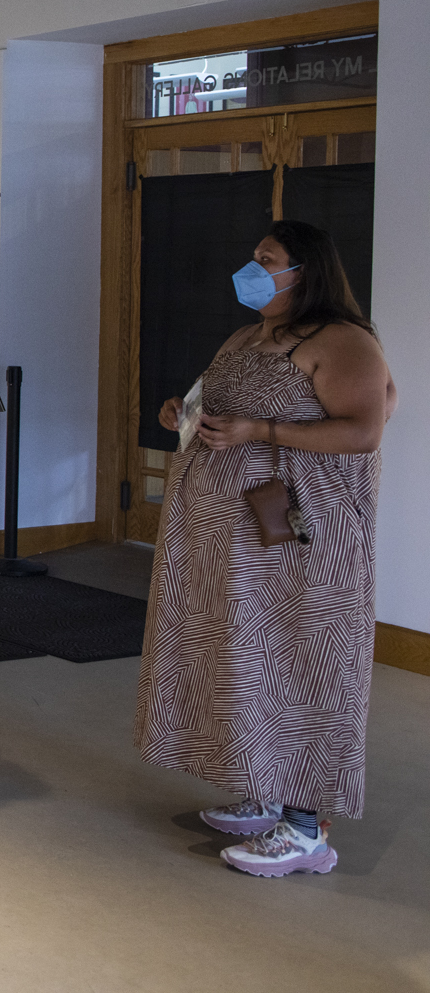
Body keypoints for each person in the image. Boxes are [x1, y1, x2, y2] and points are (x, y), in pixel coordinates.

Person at [137, 220, 393, 877]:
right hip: (235, 543)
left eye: (266, 260)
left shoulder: (344, 342)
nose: (250, 269)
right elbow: (214, 402)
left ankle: (308, 828)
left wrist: (261, 429)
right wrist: (183, 412)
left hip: (302, 535)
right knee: (245, 653)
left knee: (304, 658)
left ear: (302, 271)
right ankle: (265, 786)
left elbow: (362, 430)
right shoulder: (248, 335)